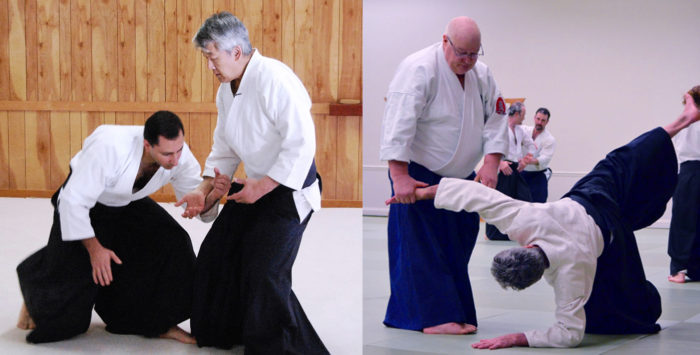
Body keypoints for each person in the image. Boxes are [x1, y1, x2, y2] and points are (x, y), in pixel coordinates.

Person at [388, 91, 700, 348]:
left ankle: (641, 298)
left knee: (625, 311)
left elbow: (569, 333)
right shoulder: (525, 221)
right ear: (522, 247)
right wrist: (420, 192)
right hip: (591, 195)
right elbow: (471, 195)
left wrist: (517, 338)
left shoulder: (572, 273)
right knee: (622, 159)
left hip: (609, 235)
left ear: (538, 278)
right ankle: (683, 119)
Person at [15, 111, 226, 344]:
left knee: (173, 241)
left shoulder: (178, 155)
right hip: (88, 204)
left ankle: (158, 323)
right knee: (70, 318)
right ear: (148, 144)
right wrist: (95, 250)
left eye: (178, 150)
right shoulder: (109, 147)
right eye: (167, 153)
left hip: (126, 203)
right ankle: (40, 274)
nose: (175, 159)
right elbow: (72, 201)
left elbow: (195, 199)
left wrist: (210, 196)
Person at [188, 12, 327, 354]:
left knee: (264, 272)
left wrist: (262, 187)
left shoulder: (276, 79)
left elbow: (302, 145)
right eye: (207, 58)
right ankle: (225, 333)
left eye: (212, 57)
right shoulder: (227, 89)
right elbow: (224, 147)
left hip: (288, 192)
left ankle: (274, 347)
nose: (210, 67)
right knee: (215, 256)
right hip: (253, 187)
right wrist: (203, 190)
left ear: (237, 52)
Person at [379, 16, 508, 334]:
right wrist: (400, 176)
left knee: (459, 243)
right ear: (445, 41)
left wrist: (491, 163)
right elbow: (398, 123)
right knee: (421, 248)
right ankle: (428, 318)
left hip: (463, 177)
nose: (467, 61)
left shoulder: (482, 74)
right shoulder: (419, 68)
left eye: (474, 54)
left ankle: (454, 310)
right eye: (462, 52)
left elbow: (497, 119)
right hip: (418, 173)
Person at [485, 102, 535, 240]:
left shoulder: (520, 130)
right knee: (499, 201)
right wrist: (500, 162)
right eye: (523, 115)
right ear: (517, 113)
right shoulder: (500, 127)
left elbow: (532, 146)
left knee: (525, 198)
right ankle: (493, 234)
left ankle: (520, 231)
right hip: (501, 167)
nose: (524, 118)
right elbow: (488, 146)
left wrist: (525, 160)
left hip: (515, 167)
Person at [667, 86, 700, 283]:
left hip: (688, 173)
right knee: (687, 220)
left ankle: (679, 269)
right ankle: (686, 269)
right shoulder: (686, 122)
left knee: (684, 221)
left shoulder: (682, 122)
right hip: (689, 170)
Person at [520, 107, 556, 203]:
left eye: (543, 120)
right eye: (538, 119)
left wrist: (528, 161)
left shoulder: (549, 139)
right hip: (521, 173)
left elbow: (545, 158)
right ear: (534, 118)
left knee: (538, 205)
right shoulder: (524, 130)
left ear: (547, 122)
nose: (539, 122)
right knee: (518, 202)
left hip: (538, 175)